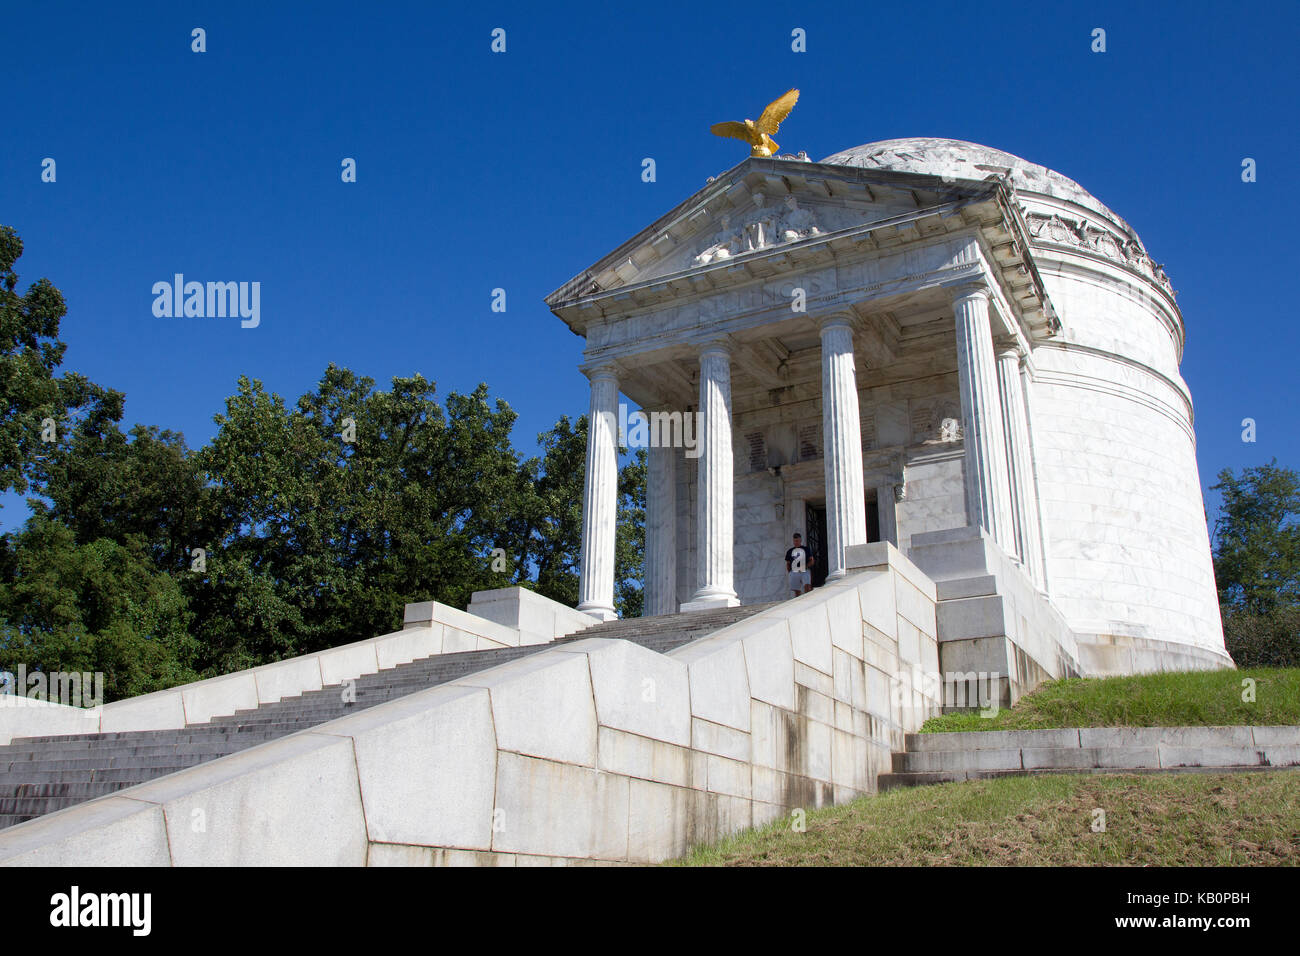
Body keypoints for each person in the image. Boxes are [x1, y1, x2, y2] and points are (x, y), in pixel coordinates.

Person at [785, 533, 814, 598]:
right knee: (797, 590)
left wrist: (806, 567)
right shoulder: (790, 551)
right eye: (795, 541)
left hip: (804, 570)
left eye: (797, 541)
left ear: (800, 540)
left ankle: (808, 598)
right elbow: (788, 563)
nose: (796, 542)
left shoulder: (806, 549)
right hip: (794, 571)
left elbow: (812, 560)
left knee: (807, 586)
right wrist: (790, 573)